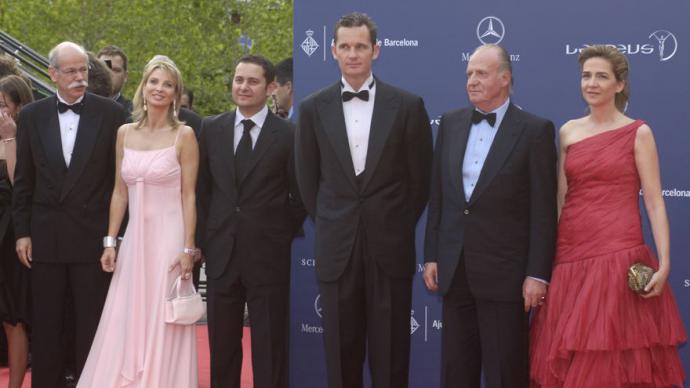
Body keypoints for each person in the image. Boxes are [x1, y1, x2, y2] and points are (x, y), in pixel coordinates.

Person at [529, 44, 686, 387]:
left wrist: (664, 262)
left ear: (620, 85)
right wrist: (546, 260)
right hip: (571, 255)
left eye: (602, 76)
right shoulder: (568, 131)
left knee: (612, 357)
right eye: (586, 76)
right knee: (573, 356)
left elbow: (655, 202)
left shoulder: (638, 133)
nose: (592, 83)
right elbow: (561, 197)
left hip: (618, 254)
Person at [295, 12, 433, 388]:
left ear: (376, 50)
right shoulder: (311, 109)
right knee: (340, 357)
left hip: (390, 248)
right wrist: (335, 221)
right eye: (345, 46)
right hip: (336, 247)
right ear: (333, 51)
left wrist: (393, 222)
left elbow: (420, 182)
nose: (353, 54)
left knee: (391, 358)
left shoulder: (407, 106)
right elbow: (308, 182)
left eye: (360, 46)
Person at [423, 44, 558, 388]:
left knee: (505, 373)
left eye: (481, 73)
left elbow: (543, 210)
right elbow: (439, 195)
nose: (471, 80)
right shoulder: (451, 123)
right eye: (469, 73)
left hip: (506, 275)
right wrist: (432, 254)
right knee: (456, 372)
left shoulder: (534, 130)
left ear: (505, 78)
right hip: (455, 269)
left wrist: (537, 274)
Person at [76, 55, 199, 387]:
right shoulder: (124, 133)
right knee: (126, 312)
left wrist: (188, 247)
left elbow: (189, 195)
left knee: (161, 317)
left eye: (168, 84)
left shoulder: (184, 135)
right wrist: (110, 241)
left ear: (176, 94)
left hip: (168, 238)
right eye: (154, 82)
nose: (159, 89)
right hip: (133, 241)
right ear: (143, 88)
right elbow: (119, 192)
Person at [12, 41, 127, 388]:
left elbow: (118, 183)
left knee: (90, 325)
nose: (80, 78)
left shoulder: (112, 115)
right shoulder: (32, 116)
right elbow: (23, 181)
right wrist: (22, 232)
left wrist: (112, 237)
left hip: (92, 239)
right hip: (45, 239)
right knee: (46, 326)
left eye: (84, 71)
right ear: (53, 74)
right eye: (72, 71)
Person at [197, 54, 304, 388]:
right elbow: (202, 191)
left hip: (268, 256)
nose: (243, 86)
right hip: (221, 254)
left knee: (270, 348)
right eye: (238, 79)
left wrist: (278, 232)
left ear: (270, 87)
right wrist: (205, 240)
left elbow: (300, 195)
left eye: (252, 81)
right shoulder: (210, 128)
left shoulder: (289, 135)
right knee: (222, 348)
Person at [0, 74, 33, 388]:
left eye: (2, 105)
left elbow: (18, 183)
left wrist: (9, 138)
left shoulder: (26, 137)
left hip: (10, 232)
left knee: (13, 316)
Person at [97, 45, 132, 116]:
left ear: (125, 76)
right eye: (105, 69)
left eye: (116, 70)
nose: (110, 74)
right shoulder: (80, 105)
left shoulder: (133, 112)